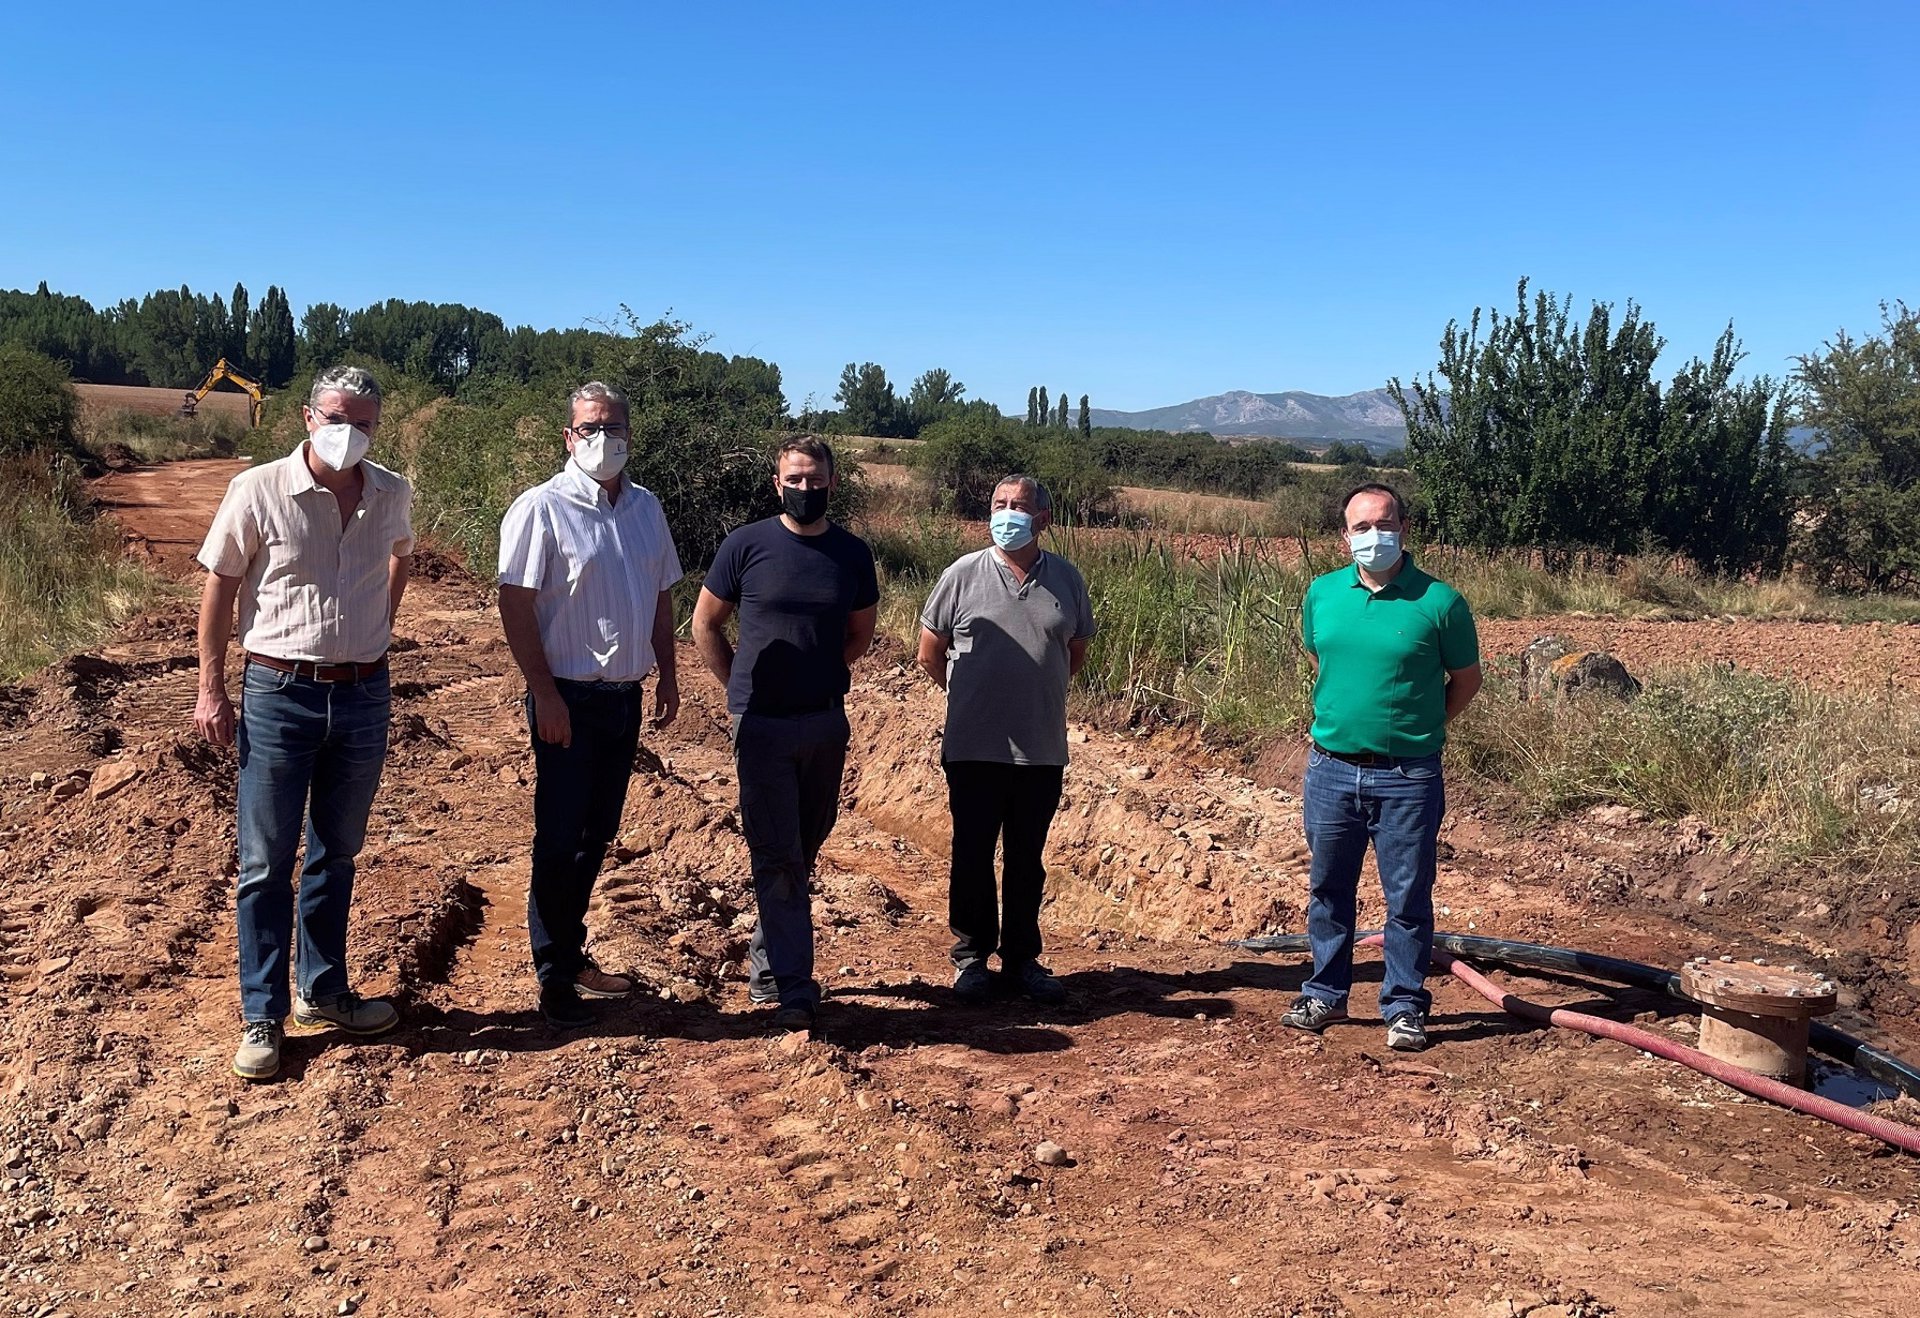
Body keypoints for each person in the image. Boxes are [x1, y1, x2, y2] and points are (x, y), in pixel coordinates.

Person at [193, 365, 414, 1082]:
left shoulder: (391, 492)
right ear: (307, 417)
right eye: (337, 416)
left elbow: (400, 560)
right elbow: (221, 587)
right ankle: (263, 1013)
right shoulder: (257, 490)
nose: (350, 431)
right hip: (277, 692)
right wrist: (211, 689)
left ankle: (323, 990)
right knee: (264, 862)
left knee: (337, 853)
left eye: (364, 421)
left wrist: (378, 626)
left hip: (362, 695)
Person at [497, 382, 683, 1029]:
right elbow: (515, 605)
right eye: (590, 427)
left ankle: (572, 955)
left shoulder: (647, 510)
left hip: (623, 698)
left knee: (598, 832)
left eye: (614, 427)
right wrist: (544, 692)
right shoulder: (540, 509)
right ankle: (553, 973)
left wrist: (668, 674)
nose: (603, 439)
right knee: (559, 835)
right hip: (565, 699)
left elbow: (660, 595)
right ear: (569, 437)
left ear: (630, 436)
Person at [1282, 483, 1482, 1052]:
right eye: (1361, 527)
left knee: (1408, 895)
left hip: (1408, 775)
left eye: (1384, 523)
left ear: (1405, 529)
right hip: (1331, 770)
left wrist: (1421, 728)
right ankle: (1325, 992)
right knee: (1328, 887)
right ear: (1345, 535)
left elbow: (1465, 680)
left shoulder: (1440, 602)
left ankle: (1404, 1004)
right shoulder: (1322, 594)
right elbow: (1321, 657)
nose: (1373, 536)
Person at [691, 436, 878, 1032]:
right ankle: (795, 989)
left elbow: (860, 634)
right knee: (776, 856)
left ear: (831, 482)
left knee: (803, 848)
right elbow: (705, 624)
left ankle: (770, 967)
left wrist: (823, 673)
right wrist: (738, 689)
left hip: (825, 722)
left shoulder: (852, 554)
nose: (804, 488)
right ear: (778, 484)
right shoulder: (745, 545)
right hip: (763, 725)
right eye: (794, 479)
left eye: (814, 479)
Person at [916, 475, 1095, 1006]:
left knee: (1026, 858)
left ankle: (1022, 958)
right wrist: (973, 698)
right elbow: (930, 651)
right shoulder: (962, 574)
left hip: (1040, 748)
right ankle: (971, 958)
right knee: (971, 853)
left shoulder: (1066, 579)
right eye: (999, 504)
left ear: (1043, 519)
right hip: (973, 745)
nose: (1007, 513)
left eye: (1019, 506)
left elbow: (1074, 652)